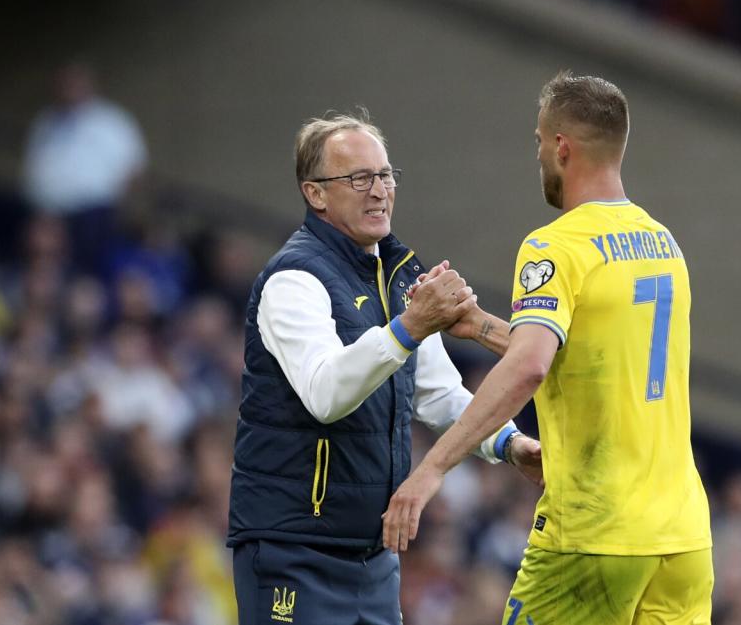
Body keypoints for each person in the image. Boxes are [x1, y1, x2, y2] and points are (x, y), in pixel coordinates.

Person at [382, 72, 713, 624]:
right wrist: (482, 326)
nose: (537, 154)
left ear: (561, 146)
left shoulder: (556, 244)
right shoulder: (663, 243)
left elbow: (531, 367)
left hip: (593, 534)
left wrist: (432, 469)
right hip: (682, 540)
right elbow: (586, 356)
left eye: (538, 140)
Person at [227, 112, 543, 625]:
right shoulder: (293, 279)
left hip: (373, 557)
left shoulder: (397, 277)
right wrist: (410, 327)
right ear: (315, 194)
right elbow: (325, 393)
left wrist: (509, 445)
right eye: (358, 178)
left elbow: (439, 394)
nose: (379, 191)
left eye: (385, 175)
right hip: (294, 549)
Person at [23, 61, 148, 276]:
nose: (69, 89)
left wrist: (123, 209)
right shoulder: (45, 123)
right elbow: (32, 169)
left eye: (75, 82)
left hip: (94, 214)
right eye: (64, 83)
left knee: (88, 272)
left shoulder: (110, 120)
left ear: (89, 84)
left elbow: (134, 168)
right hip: (50, 214)